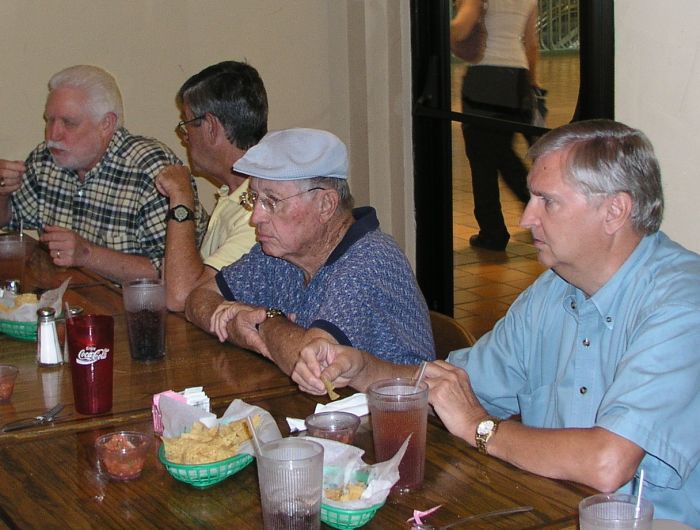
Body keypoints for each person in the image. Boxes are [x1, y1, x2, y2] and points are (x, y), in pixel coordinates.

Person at [292, 120, 700, 527]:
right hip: (548, 511)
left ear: (615, 211)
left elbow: (608, 463)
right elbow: (452, 388)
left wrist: (480, 427)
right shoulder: (553, 291)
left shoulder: (681, 302)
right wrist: (363, 368)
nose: (526, 218)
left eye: (547, 201)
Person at [185, 127, 434, 375]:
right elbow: (198, 298)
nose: (256, 217)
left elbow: (315, 367)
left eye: (271, 201)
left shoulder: (370, 259)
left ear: (326, 204)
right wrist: (239, 327)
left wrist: (265, 321)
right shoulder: (277, 253)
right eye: (254, 199)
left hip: (394, 412)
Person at [0, 65, 208, 282]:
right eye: (49, 120)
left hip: (137, 307)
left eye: (68, 123)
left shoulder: (151, 171)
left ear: (106, 124)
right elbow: (9, 220)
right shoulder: (46, 159)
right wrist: (3, 191)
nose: (53, 134)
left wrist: (88, 255)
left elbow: (172, 275)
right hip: (73, 297)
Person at [155, 61, 267, 311]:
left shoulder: (258, 212)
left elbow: (182, 298)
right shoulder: (233, 193)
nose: (184, 138)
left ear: (211, 127)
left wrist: (182, 199)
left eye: (186, 125)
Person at [451, 0, 540, 250]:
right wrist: (531, 86)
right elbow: (531, 44)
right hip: (517, 77)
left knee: (483, 159)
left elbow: (461, 27)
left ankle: (493, 231)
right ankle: (537, 211)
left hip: (485, 79)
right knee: (502, 153)